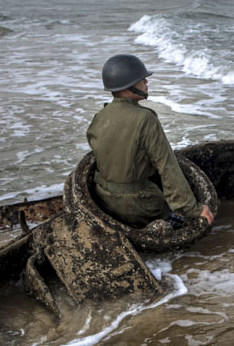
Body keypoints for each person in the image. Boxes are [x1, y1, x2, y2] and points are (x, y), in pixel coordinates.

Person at [87, 54, 215, 228]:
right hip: (139, 207)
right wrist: (191, 209)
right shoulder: (145, 118)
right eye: (142, 80)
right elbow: (167, 166)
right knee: (193, 224)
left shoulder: (100, 116)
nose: (146, 83)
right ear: (128, 85)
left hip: (104, 201)